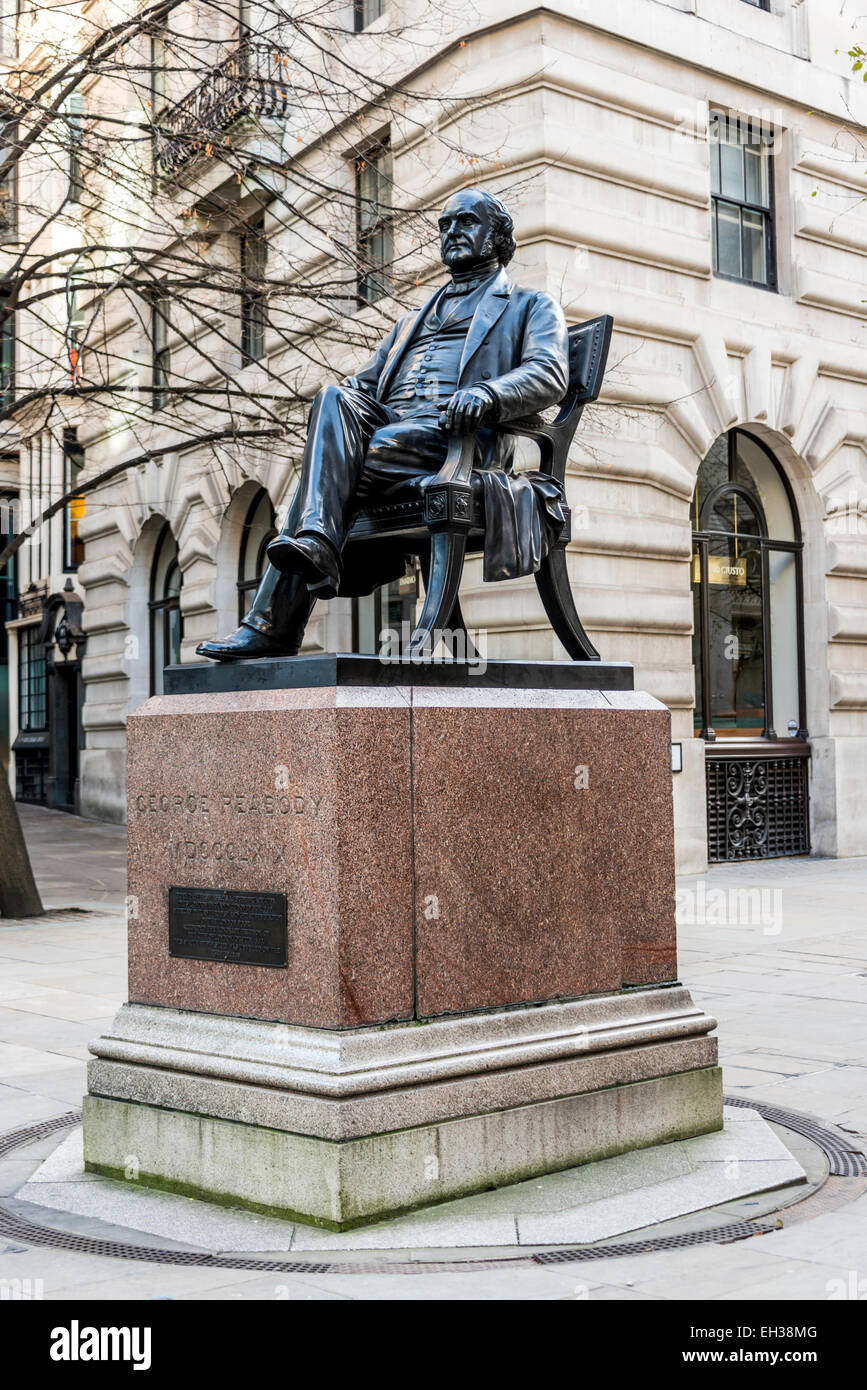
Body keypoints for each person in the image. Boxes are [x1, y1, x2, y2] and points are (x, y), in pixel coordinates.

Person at [198, 186, 569, 661]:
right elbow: (364, 386)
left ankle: (276, 618)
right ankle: (314, 541)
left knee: (331, 473)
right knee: (333, 397)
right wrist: (333, 411)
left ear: (497, 236)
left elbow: (549, 374)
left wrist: (487, 393)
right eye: (445, 225)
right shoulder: (410, 322)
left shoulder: (530, 306)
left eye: (466, 222)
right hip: (392, 438)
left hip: (459, 442)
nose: (452, 231)